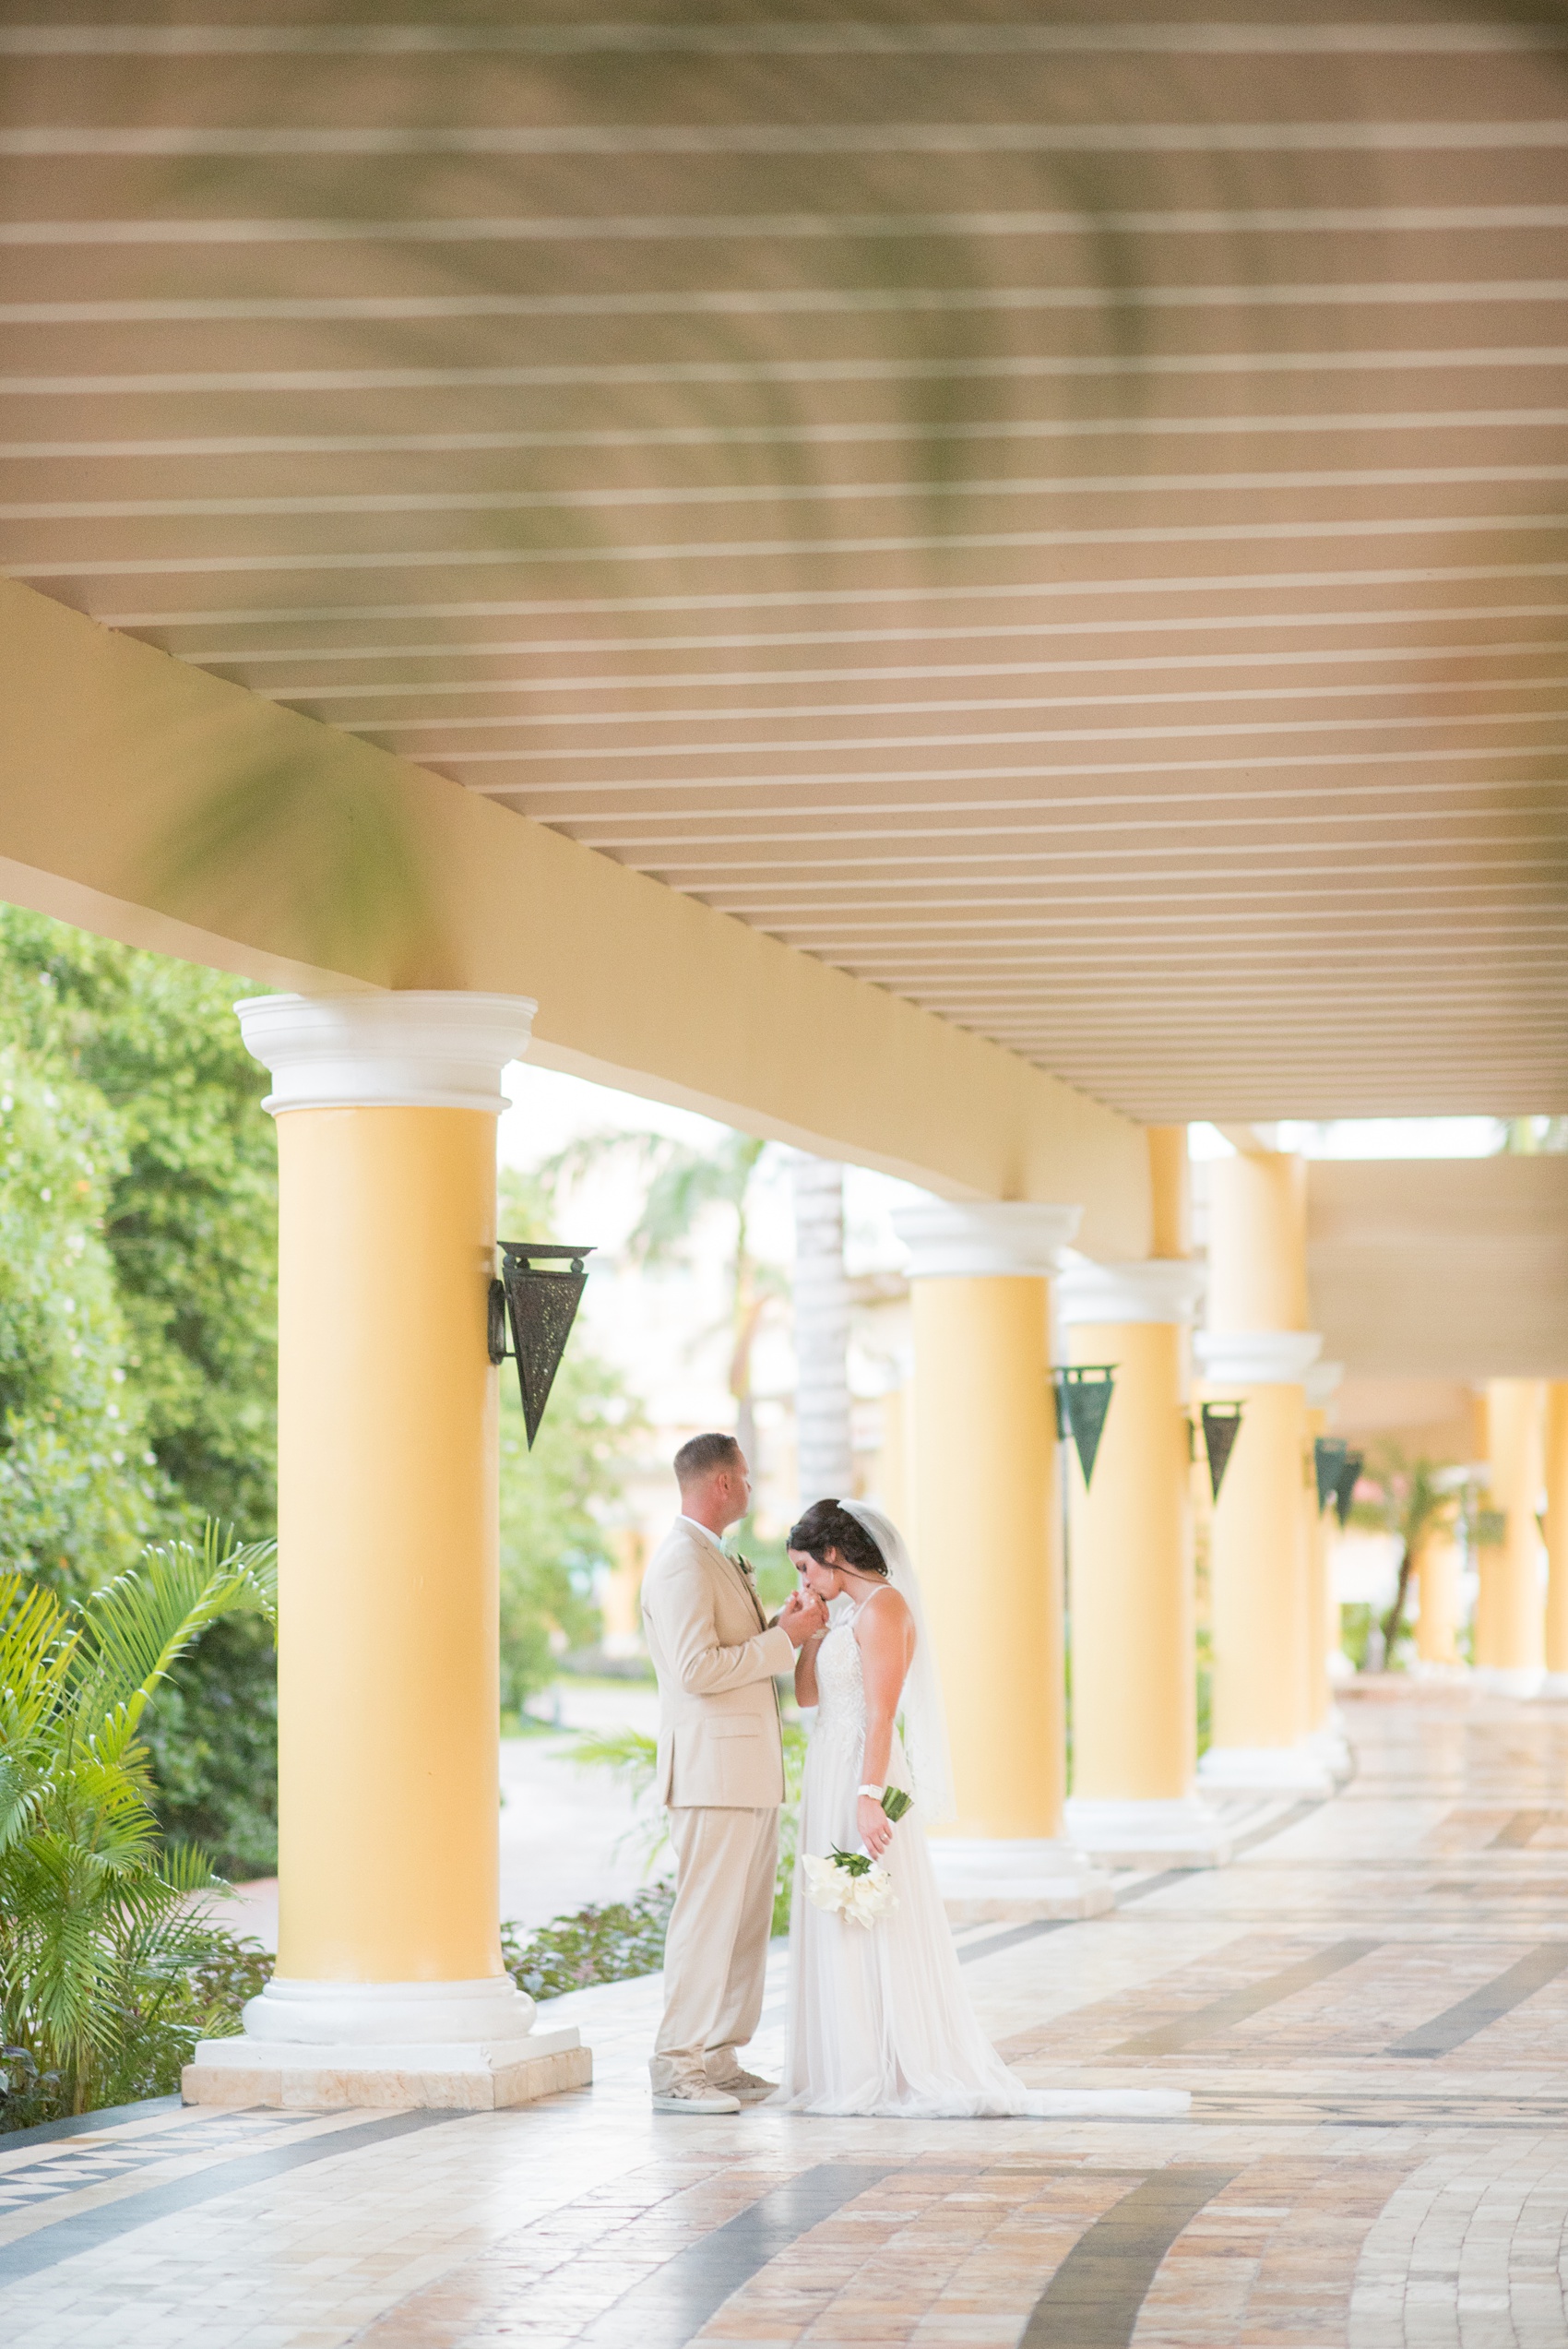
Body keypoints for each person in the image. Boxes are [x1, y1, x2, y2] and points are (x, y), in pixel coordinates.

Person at [776, 1497, 1185, 2120]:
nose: (803, 1582)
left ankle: (873, 2066)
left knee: (866, 1917)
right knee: (837, 1916)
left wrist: (868, 1799)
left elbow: (882, 1715)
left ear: (833, 1554)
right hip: (829, 1772)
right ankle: (836, 2063)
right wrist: (805, 1630)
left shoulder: (884, 1609)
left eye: (806, 1569)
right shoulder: (843, 1614)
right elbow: (809, 1697)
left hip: (864, 1774)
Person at [639, 1433, 827, 2114]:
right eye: (745, 1477)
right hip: (711, 1775)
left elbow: (730, 1652)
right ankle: (677, 2066)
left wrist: (782, 1623)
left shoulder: (711, 1557)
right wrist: (786, 1643)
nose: (750, 1488)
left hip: (744, 1772)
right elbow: (695, 1671)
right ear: (721, 1484)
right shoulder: (681, 1562)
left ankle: (720, 2058)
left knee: (744, 1924)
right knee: (706, 1922)